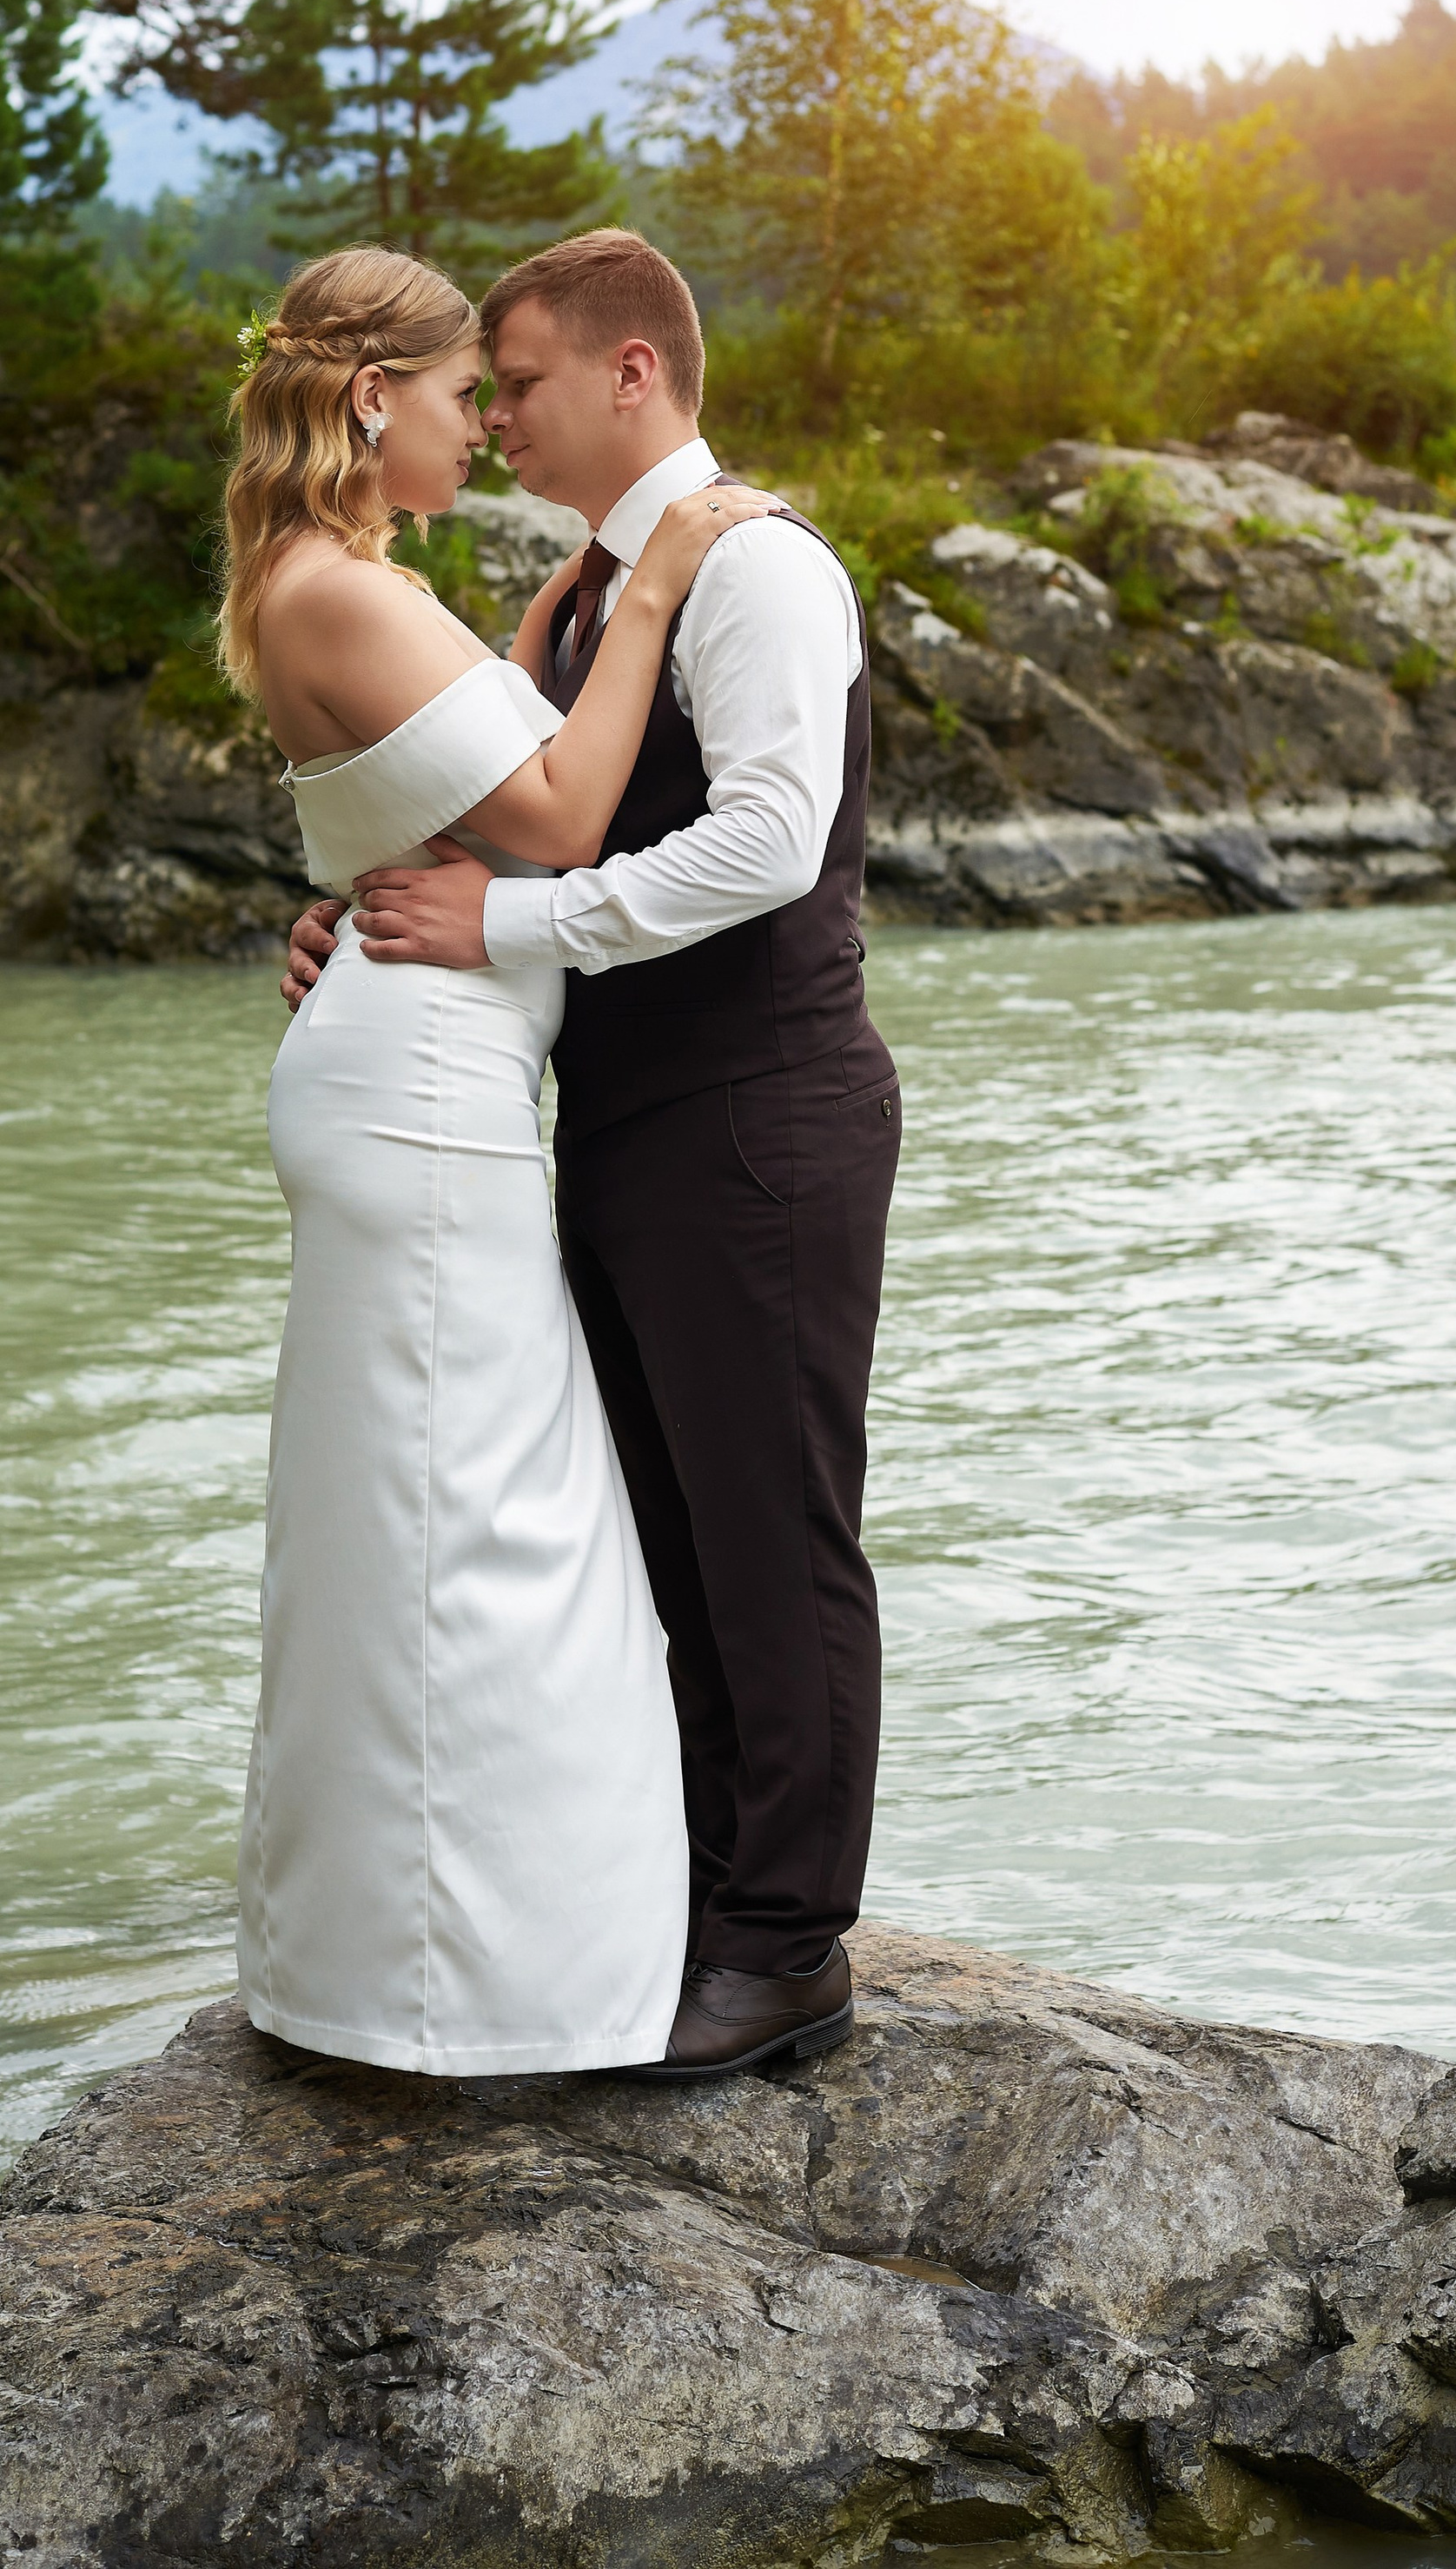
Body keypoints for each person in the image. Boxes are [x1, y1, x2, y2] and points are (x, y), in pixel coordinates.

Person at [283, 228, 903, 2081]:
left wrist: (499, 935)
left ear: (633, 374)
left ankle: (789, 1944)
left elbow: (771, 842)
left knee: (774, 1535)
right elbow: (501, 828)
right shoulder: (574, 600)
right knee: (666, 1534)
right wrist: (361, 923)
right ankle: (700, 1897)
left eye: (525, 381)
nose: (504, 414)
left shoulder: (756, 568)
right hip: (613, 1123)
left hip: (763, 1119)